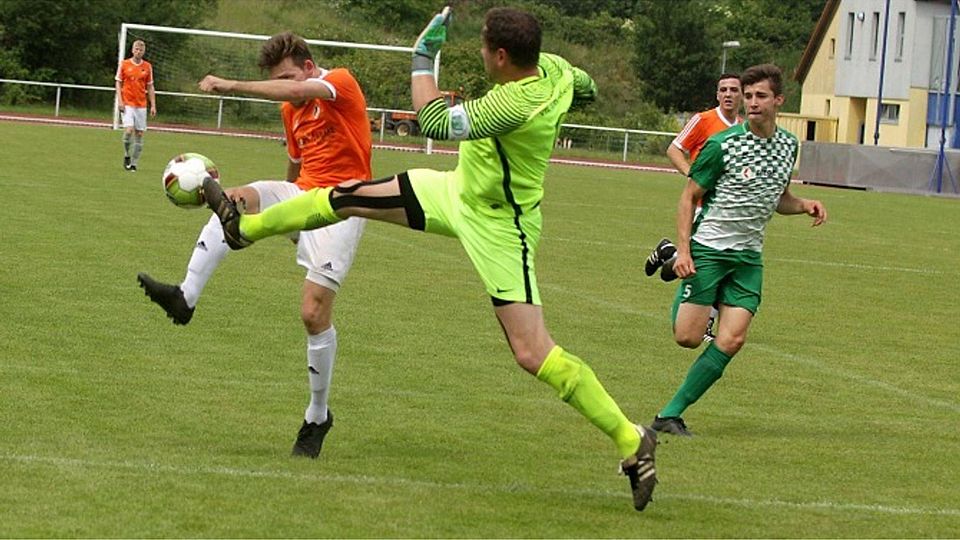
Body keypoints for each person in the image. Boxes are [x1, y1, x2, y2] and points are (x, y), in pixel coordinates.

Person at [200, 7, 659, 512]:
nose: (481, 52)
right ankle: (243, 230)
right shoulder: (555, 70)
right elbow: (586, 84)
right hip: (455, 191)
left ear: (502, 57)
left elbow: (434, 119)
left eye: (484, 47)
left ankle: (632, 440)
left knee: (532, 352)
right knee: (345, 195)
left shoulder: (513, 103)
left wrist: (423, 55)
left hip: (501, 226)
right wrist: (575, 93)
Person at [137, 32, 373, 458]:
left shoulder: (339, 82)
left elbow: (299, 91)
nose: (287, 87)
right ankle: (185, 297)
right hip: (302, 195)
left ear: (306, 66)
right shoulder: (291, 109)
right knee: (235, 201)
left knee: (312, 312)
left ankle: (318, 416)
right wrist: (284, 216)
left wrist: (230, 85)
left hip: (342, 203)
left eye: (286, 76)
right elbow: (296, 164)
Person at [650, 64, 827, 437]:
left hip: (748, 258)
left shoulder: (788, 146)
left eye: (760, 96)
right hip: (709, 249)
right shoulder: (722, 145)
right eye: (748, 96)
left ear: (779, 100)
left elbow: (779, 200)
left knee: (732, 339)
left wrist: (804, 204)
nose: (752, 102)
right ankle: (672, 260)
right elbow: (689, 197)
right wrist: (685, 251)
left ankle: (670, 414)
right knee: (688, 338)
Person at [644, 73, 743, 342]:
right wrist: (693, 176)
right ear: (717, 94)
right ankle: (705, 325)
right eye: (723, 89)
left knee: (711, 263)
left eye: (734, 89)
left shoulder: (745, 127)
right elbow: (674, 149)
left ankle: (668, 253)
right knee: (710, 265)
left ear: (742, 95)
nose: (728, 94)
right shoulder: (703, 120)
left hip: (728, 211)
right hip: (702, 206)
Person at [115, 39, 157, 172]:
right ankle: (127, 154)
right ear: (132, 50)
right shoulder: (124, 64)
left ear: (144, 52)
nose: (138, 52)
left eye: (141, 50)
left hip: (141, 105)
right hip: (127, 103)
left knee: (139, 134)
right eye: (136, 49)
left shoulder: (147, 67)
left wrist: (153, 105)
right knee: (128, 131)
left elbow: (150, 87)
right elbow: (118, 82)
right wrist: (120, 101)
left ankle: (134, 163)